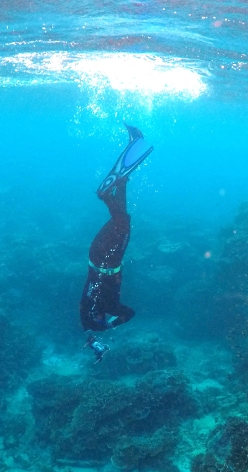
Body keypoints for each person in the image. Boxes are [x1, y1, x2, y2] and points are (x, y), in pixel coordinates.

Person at [79, 124, 153, 334]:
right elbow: (87, 319)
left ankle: (107, 194)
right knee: (121, 218)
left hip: (109, 260)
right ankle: (121, 182)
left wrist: (110, 326)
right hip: (95, 256)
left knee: (123, 220)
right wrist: (93, 332)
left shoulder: (107, 308)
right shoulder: (86, 306)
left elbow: (128, 313)